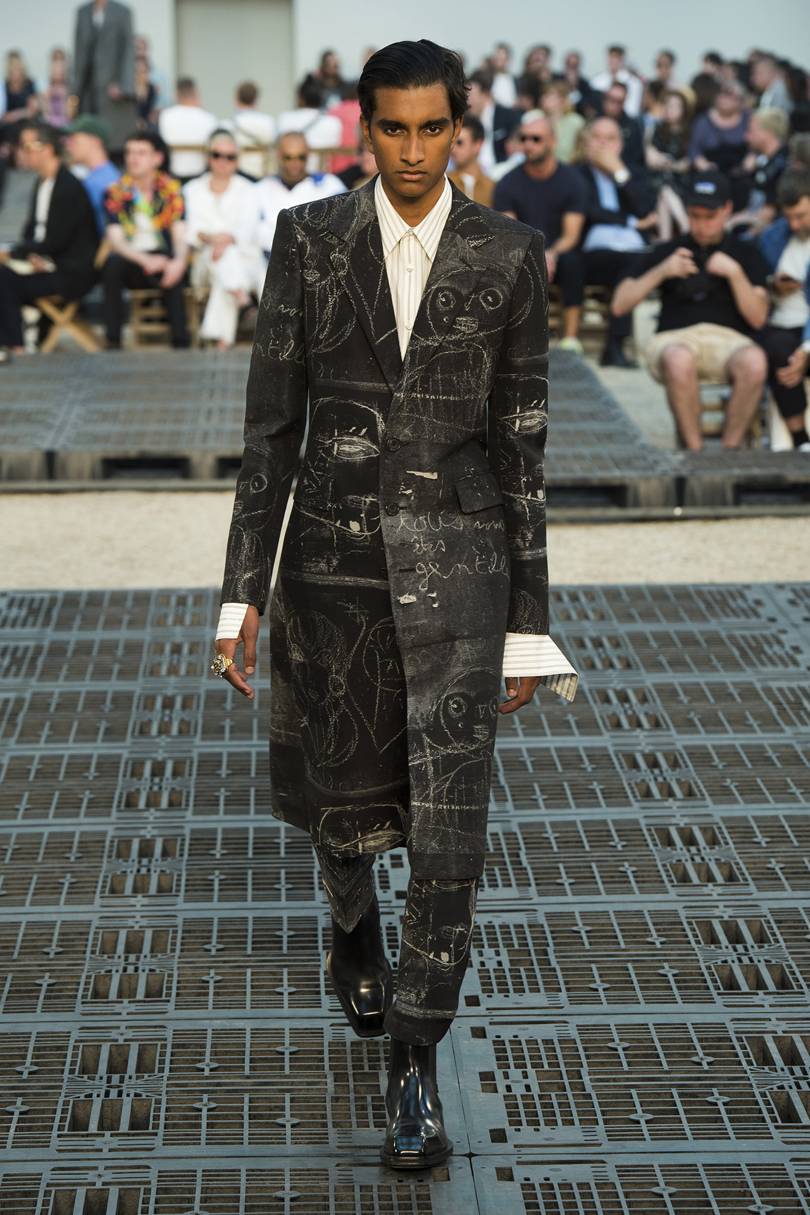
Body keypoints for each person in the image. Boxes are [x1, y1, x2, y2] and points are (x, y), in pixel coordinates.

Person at [212, 37, 576, 1171]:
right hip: (330, 570)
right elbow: (271, 430)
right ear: (364, 129)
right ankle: (351, 918)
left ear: (459, 129)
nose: (413, 151)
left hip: (462, 576)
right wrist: (238, 595)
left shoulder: (509, 255)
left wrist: (529, 622)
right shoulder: (310, 239)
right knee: (344, 804)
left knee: (450, 830)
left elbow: (522, 449)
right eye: (393, 128)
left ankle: (413, 1061)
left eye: (432, 128)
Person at [612, 171, 769, 451]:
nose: (702, 225)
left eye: (710, 216)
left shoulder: (746, 252)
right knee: (678, 359)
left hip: (730, 341)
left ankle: (729, 452)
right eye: (695, 216)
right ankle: (694, 454)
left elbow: (758, 318)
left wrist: (735, 274)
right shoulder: (670, 250)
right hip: (675, 339)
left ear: (727, 210)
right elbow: (619, 304)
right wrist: (662, 271)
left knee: (755, 362)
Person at [0, 121, 98, 358]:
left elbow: (58, 240)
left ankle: (15, 345)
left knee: (3, 279)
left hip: (70, 273)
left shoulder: (68, 186)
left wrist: (15, 254)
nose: (23, 153)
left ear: (47, 148)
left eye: (28, 146)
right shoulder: (42, 182)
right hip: (46, 263)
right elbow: (32, 232)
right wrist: (28, 254)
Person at [565, 116, 656, 366]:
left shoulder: (631, 173)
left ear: (620, 145)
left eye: (610, 138)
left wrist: (619, 173)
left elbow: (646, 208)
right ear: (586, 141)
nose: (603, 144)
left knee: (638, 264)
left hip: (631, 252)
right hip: (591, 253)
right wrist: (630, 222)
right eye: (597, 137)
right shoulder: (575, 173)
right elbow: (587, 211)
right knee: (633, 265)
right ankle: (615, 346)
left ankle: (616, 345)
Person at [494, 111, 586, 350]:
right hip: (523, 250)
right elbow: (511, 232)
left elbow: (571, 235)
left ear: (552, 142)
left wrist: (551, 254)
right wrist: (535, 255)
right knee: (508, 262)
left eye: (536, 139)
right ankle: (517, 339)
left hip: (559, 252)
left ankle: (571, 339)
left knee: (573, 263)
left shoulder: (572, 181)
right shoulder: (508, 183)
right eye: (523, 138)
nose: (528, 144)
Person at [101, 128, 189, 348]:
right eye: (130, 152)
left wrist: (179, 261)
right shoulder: (115, 192)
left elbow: (180, 234)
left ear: (157, 158)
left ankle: (181, 341)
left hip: (163, 255)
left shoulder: (171, 190)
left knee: (174, 267)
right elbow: (116, 240)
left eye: (141, 153)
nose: (133, 158)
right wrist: (145, 260)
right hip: (133, 258)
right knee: (112, 265)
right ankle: (113, 340)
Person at [183, 129, 265, 349]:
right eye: (217, 155)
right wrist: (213, 239)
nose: (223, 161)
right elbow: (191, 230)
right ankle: (243, 302)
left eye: (230, 157)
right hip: (205, 260)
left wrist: (224, 240)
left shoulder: (249, 190)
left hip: (242, 260)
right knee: (224, 255)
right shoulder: (192, 190)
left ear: (237, 161)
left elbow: (248, 228)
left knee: (226, 265)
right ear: (208, 157)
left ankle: (223, 340)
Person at [758, 170, 810, 451]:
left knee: (790, 353)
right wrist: (773, 285)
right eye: (789, 217)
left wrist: (808, 349)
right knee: (779, 350)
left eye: (801, 216)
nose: (794, 224)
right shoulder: (774, 236)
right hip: (782, 322)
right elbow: (757, 277)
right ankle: (800, 438)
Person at [255, 131, 345, 256]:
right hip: (269, 259)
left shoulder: (329, 186)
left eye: (301, 157)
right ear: (278, 156)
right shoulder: (261, 188)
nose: (295, 164)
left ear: (308, 155)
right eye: (288, 157)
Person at [72, 0, 137, 152]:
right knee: (88, 134)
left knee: (113, 136)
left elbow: (128, 49)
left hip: (112, 84)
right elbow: (78, 49)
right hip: (88, 84)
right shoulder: (83, 12)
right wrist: (75, 88)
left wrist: (123, 84)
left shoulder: (122, 11)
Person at [731, 108, 790, 234]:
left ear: (767, 133)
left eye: (751, 130)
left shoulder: (782, 166)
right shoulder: (762, 161)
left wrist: (742, 234)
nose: (746, 136)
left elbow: (768, 214)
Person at [646, 89, 692, 239]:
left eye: (675, 106)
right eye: (667, 105)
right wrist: (668, 163)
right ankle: (685, 226)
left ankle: (665, 239)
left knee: (664, 191)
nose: (670, 109)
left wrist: (669, 164)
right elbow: (651, 159)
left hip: (681, 181)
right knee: (663, 187)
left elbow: (687, 164)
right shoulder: (656, 129)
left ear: (684, 110)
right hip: (658, 179)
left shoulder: (689, 133)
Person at [67, 114, 119, 233]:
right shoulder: (97, 177)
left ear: (95, 142)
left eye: (74, 140)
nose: (69, 146)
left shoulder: (106, 181)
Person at [158, 77, 217, 183]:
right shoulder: (208, 118)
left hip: (172, 174)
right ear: (195, 93)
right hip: (200, 174)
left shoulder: (165, 115)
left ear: (176, 94)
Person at [277, 75, 343, 169]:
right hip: (322, 174)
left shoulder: (284, 119)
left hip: (290, 171)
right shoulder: (334, 123)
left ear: (301, 98)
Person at [465, 68, 521, 174]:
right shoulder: (466, 120)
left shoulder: (508, 116)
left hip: (502, 172)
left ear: (485, 95)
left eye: (470, 96)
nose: (467, 101)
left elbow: (517, 152)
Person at [229, 81, 276, 180]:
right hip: (264, 175)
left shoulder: (229, 125)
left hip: (238, 176)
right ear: (256, 100)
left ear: (236, 100)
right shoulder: (269, 123)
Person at [600, 79, 646, 175]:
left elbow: (638, 163)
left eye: (619, 102)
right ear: (605, 99)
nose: (614, 106)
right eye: (612, 100)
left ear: (624, 102)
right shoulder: (594, 123)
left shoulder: (633, 128)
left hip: (622, 175)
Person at [448, 113, 494, 204]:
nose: (453, 148)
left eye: (459, 143)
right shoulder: (442, 185)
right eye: (451, 142)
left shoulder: (493, 187)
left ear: (478, 145)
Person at [591, 44, 644, 118]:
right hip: (601, 119)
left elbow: (633, 109)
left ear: (622, 59)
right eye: (612, 57)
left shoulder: (634, 82)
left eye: (617, 58)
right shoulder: (597, 81)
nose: (614, 61)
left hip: (625, 120)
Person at [540, 82, 584, 163]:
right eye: (543, 95)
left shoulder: (575, 121)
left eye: (548, 95)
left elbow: (580, 148)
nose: (543, 98)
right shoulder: (535, 117)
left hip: (569, 164)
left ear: (562, 100)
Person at [39, 48, 71, 129]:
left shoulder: (69, 88)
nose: (58, 74)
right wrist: (47, 99)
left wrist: (64, 97)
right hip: (49, 122)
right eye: (56, 72)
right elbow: (45, 113)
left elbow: (68, 114)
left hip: (64, 121)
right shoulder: (46, 88)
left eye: (60, 72)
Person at [490, 42, 517, 108]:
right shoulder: (488, 78)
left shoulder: (515, 80)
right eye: (497, 58)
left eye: (502, 59)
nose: (499, 61)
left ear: (508, 60)